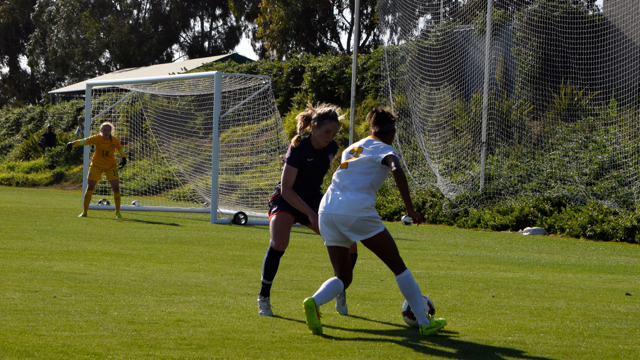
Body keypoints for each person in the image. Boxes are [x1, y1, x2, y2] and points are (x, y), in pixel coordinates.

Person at [302, 108, 446, 336]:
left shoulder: (351, 148)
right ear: (392, 133)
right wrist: (410, 209)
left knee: (343, 276)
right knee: (398, 266)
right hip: (355, 210)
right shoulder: (386, 149)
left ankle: (314, 302)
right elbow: (396, 169)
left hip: (327, 209)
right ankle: (426, 323)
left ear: (372, 129)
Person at [258, 104, 358, 317]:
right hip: (287, 199)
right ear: (314, 127)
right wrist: (311, 214)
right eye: (326, 132)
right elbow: (286, 189)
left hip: (314, 200)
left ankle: (340, 287)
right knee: (279, 242)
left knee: (349, 243)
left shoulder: (332, 148)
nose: (330, 137)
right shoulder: (298, 146)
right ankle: (264, 297)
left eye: (334, 133)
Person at [66, 122, 127, 218]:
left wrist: (124, 158)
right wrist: (72, 143)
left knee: (116, 188)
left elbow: (120, 149)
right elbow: (84, 141)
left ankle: (118, 212)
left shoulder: (114, 140)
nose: (106, 132)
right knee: (90, 187)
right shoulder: (96, 138)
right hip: (96, 165)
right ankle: (85, 212)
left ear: (111, 131)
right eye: (104, 130)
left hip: (110, 166)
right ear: (101, 131)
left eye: (108, 130)